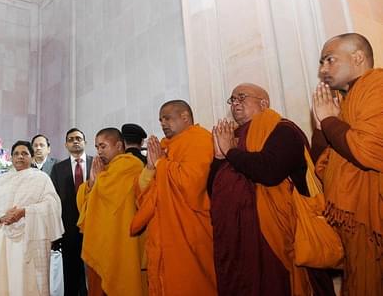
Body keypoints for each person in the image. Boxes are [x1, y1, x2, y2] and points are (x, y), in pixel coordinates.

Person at [210, 83, 333, 296]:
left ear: (263, 103)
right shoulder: (233, 139)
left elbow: (269, 171)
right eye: (232, 99)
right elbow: (214, 191)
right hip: (240, 244)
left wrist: (230, 151)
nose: (235, 102)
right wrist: (219, 159)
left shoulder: (283, 130)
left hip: (279, 239)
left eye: (242, 97)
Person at [312, 33, 383, 295]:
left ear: (357, 57)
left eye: (330, 60)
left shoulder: (377, 85)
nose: (323, 70)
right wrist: (322, 128)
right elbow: (323, 166)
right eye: (321, 63)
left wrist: (330, 122)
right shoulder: (344, 100)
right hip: (353, 222)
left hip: (372, 213)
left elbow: (367, 149)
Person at [130, 100, 216, 295]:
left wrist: (161, 164)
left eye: (167, 118)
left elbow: (191, 184)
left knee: (191, 285)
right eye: (161, 120)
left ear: (185, 117)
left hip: (191, 231)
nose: (163, 124)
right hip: (164, 232)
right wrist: (151, 168)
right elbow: (145, 194)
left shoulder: (200, 139)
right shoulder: (164, 147)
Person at [0, 140, 64, 296]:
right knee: (2, 278)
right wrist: (2, 217)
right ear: (11, 158)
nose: (20, 157)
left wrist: (26, 211)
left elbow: (52, 205)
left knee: (25, 281)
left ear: (32, 158)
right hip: (3, 240)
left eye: (24, 153)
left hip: (30, 238)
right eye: (16, 154)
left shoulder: (41, 178)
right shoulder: (1, 180)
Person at [76, 127, 145, 296]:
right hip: (103, 241)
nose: (99, 152)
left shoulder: (130, 165)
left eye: (103, 146)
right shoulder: (104, 171)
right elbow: (85, 205)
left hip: (122, 240)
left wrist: (98, 181)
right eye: (97, 147)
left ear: (119, 145)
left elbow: (108, 193)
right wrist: (91, 184)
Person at [49, 128, 92, 296]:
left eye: (79, 138)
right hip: (68, 229)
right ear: (66, 144)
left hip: (92, 227)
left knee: (94, 273)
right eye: (71, 139)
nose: (75, 141)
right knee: (70, 275)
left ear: (85, 142)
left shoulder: (97, 164)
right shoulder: (58, 169)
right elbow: (53, 201)